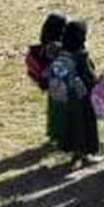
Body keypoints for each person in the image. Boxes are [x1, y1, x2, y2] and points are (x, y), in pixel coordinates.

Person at [47, 18, 100, 166]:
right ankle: (85, 155)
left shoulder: (60, 53)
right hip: (81, 98)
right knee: (84, 126)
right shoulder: (81, 56)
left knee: (71, 126)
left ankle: (75, 154)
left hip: (65, 97)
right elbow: (90, 79)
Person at [26, 12, 68, 144]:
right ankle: (62, 135)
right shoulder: (57, 47)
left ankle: (54, 134)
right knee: (62, 111)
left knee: (54, 110)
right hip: (61, 86)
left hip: (51, 85)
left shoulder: (44, 44)